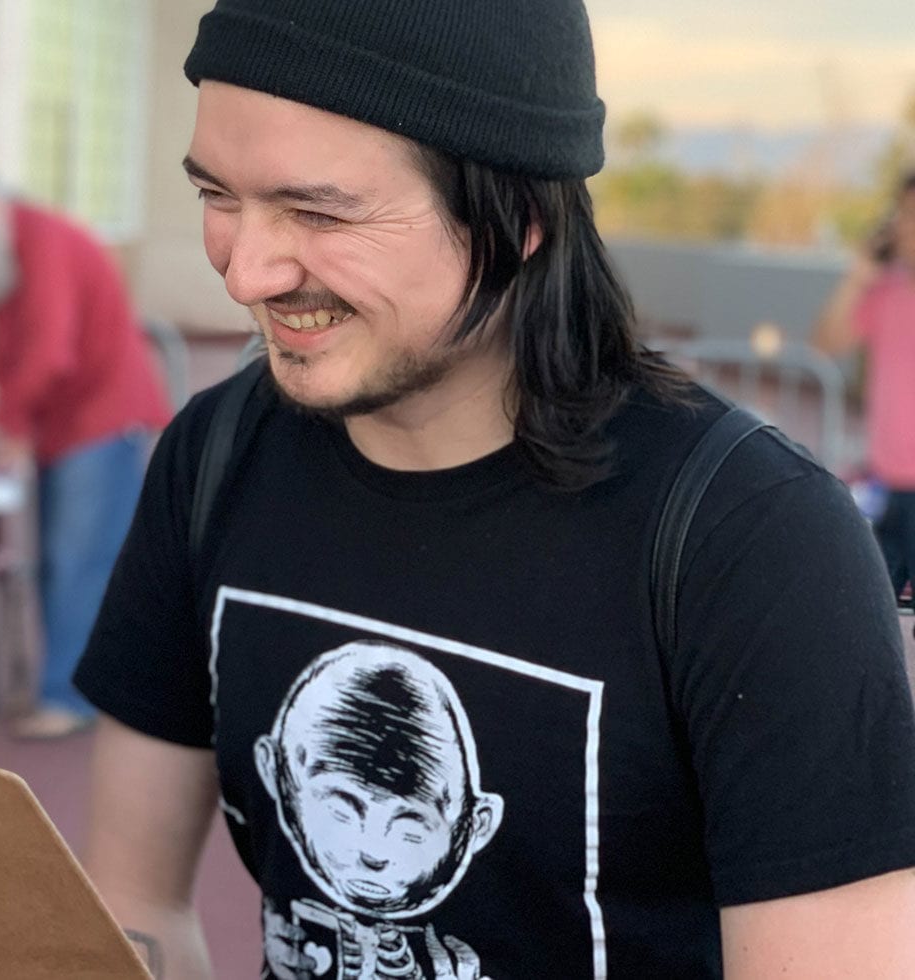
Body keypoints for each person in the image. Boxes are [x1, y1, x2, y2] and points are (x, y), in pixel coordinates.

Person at [72, 2, 915, 977]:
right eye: (218, 194)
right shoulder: (214, 454)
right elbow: (131, 905)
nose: (246, 269)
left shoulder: (753, 540)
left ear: (521, 216)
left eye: (317, 211)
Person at [0, 160, 172, 739]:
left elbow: (47, 352)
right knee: (62, 563)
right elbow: (21, 349)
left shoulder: (40, 242)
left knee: (78, 563)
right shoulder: (14, 246)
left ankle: (72, 697)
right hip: (70, 423)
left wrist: (0, 422)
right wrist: (10, 424)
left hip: (99, 419)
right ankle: (61, 685)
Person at [814, 172, 915, 608]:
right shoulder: (884, 290)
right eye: (904, 214)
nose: (904, 225)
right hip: (887, 490)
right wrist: (857, 277)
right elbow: (825, 345)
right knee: (872, 617)